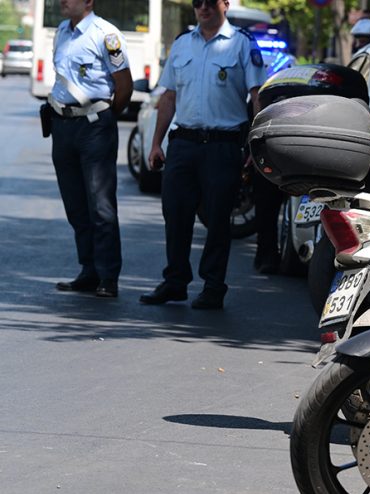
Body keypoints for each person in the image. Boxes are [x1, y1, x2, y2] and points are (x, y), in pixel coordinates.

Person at [140, 0, 266, 309]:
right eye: (198, 2)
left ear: (225, 5)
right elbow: (169, 97)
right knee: (175, 214)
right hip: (183, 143)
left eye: (211, 2)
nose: (204, 7)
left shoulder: (242, 43)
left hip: (223, 146)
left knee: (218, 218)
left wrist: (257, 144)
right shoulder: (183, 43)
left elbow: (257, 97)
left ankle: (213, 287)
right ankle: (175, 281)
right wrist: (156, 143)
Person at [50, 0, 132, 298]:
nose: (63, 1)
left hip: (94, 126)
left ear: (88, 2)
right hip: (62, 125)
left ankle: (108, 276)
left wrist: (105, 118)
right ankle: (89, 270)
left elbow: (124, 85)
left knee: (100, 205)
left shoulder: (105, 34)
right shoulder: (61, 31)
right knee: (75, 205)